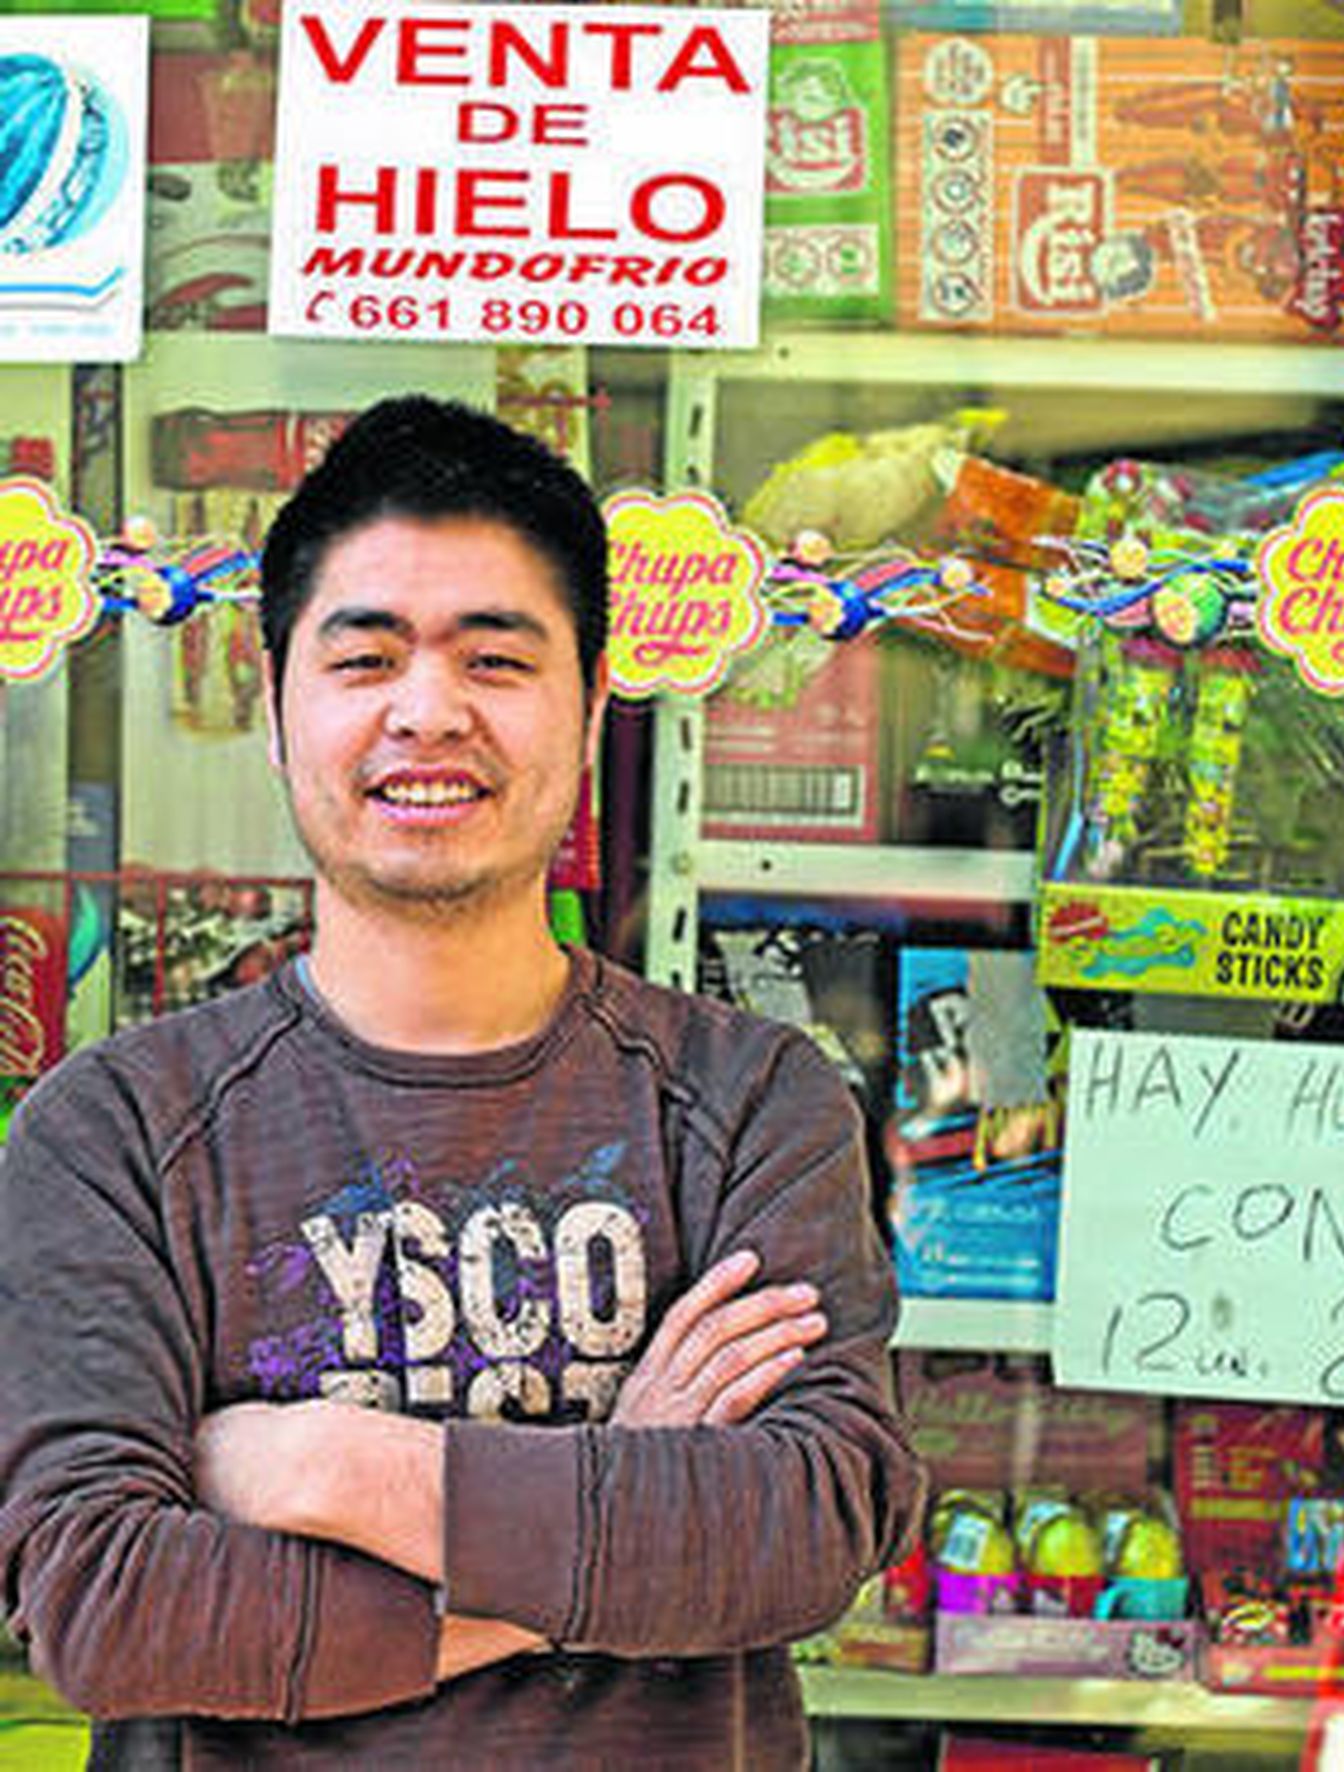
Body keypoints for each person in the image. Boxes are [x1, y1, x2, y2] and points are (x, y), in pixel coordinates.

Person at [0, 396, 924, 1768]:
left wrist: (324, 1467)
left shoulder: (749, 1105)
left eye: (495, 659)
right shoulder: (116, 1132)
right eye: (365, 658)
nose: (428, 712)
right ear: (278, 708)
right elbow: (108, 1609)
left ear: (591, 707)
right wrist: (623, 1493)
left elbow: (808, 1527)